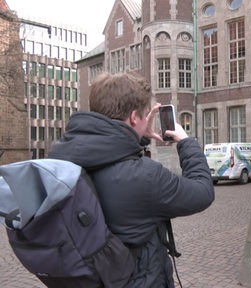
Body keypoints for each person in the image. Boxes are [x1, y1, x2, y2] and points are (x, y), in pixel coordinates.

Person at [48, 73, 215, 287]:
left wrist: (138, 136)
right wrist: (186, 142)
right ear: (135, 118)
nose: (147, 120)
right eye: (146, 115)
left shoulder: (60, 156)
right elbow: (202, 192)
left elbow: (107, 153)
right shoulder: (146, 176)